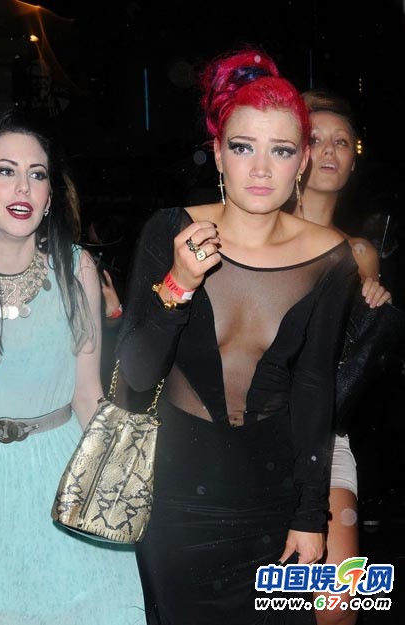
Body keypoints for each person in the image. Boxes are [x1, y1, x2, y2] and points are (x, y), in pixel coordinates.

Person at [116, 48, 361, 624]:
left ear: (302, 161)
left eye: (281, 150)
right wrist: (179, 283)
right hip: (177, 499)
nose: (261, 169)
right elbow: (134, 375)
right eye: (244, 147)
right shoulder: (171, 229)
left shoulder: (330, 257)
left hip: (274, 498)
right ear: (219, 154)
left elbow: (315, 389)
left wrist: (310, 514)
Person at [0, 110, 145, 625]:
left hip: (63, 470)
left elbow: (87, 393)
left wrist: (118, 484)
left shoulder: (77, 267)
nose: (24, 187)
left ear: (50, 195)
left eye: (37, 175)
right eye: (5, 171)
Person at [293, 89, 391, 625]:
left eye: (342, 142)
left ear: (353, 160)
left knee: (336, 605)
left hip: (327, 439)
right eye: (316, 139)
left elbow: (357, 353)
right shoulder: (258, 234)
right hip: (252, 433)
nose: (330, 151)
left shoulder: (359, 252)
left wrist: (372, 308)